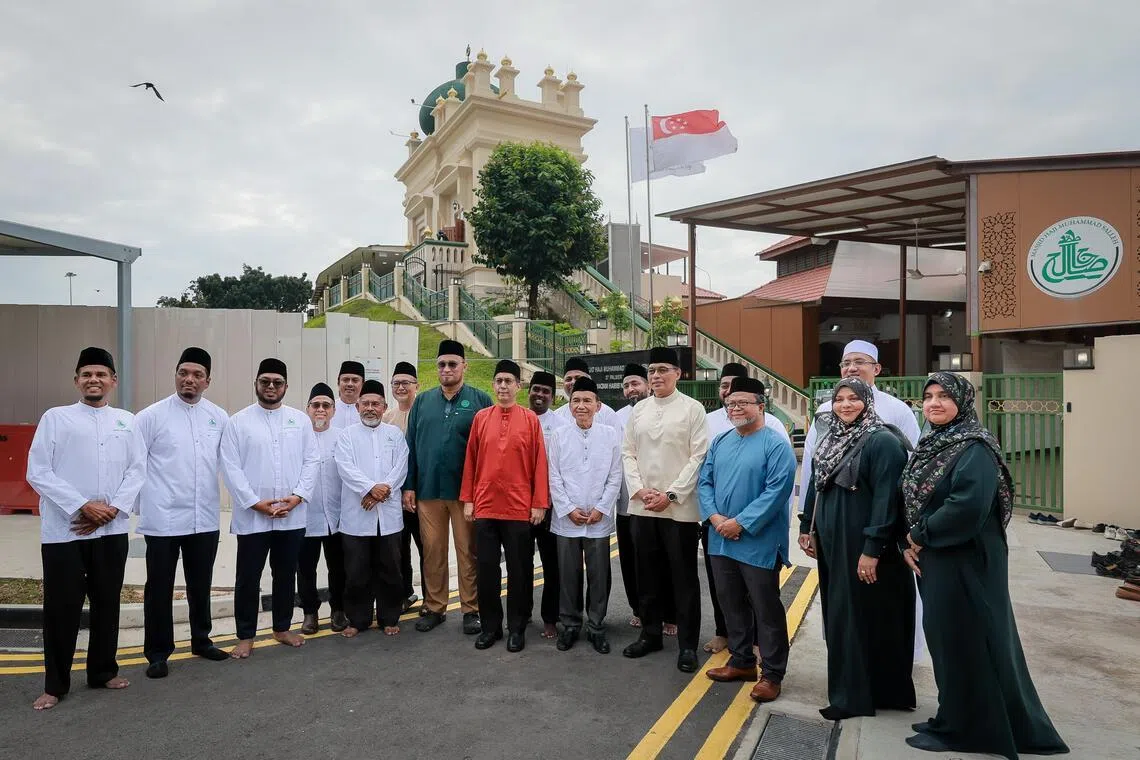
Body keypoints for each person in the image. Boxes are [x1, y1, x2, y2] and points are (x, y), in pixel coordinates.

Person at [900, 373, 1068, 758]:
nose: (934, 403)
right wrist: (910, 540)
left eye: (944, 396)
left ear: (963, 402)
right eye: (929, 396)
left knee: (967, 639)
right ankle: (953, 715)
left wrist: (920, 535)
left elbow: (967, 507)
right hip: (940, 556)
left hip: (966, 560)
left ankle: (968, 728)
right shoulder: (936, 443)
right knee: (947, 638)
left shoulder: (974, 447)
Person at [26, 347, 146, 711]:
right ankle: (55, 685)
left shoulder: (127, 421)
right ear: (77, 380)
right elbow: (38, 471)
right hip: (65, 532)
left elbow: (137, 469)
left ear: (113, 381)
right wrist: (82, 505)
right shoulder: (56, 418)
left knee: (107, 604)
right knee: (61, 609)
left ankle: (102, 671)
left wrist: (114, 509)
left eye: (101, 374)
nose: (94, 379)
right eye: (87, 374)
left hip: (111, 531)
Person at [797, 378, 915, 719]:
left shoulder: (883, 441)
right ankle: (871, 691)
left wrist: (872, 549)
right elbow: (816, 484)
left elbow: (887, 500)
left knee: (864, 618)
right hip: (834, 543)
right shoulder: (831, 437)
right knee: (843, 615)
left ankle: (854, 697)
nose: (845, 405)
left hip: (863, 545)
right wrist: (807, 528)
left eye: (853, 398)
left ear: (868, 401)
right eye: (839, 399)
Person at [134, 347, 230, 680]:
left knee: (200, 583)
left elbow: (228, 464)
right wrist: (134, 507)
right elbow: (134, 465)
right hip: (163, 517)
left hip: (203, 516)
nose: (189, 379)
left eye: (197, 375)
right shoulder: (151, 416)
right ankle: (158, 653)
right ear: (175, 375)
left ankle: (201, 640)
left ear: (207, 381)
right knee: (159, 587)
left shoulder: (218, 417)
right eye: (183, 373)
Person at [699, 376, 798, 703]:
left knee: (765, 608)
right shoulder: (721, 441)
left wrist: (741, 522)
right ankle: (741, 662)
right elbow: (705, 482)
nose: (735, 408)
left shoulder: (775, 444)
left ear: (761, 406)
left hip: (758, 541)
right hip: (720, 538)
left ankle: (772, 674)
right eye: (730, 404)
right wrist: (715, 518)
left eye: (742, 402)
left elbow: (777, 491)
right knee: (730, 602)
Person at [220, 358, 320, 659]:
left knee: (285, 574)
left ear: (286, 386)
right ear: (256, 384)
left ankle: (281, 628)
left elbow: (311, 460)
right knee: (248, 578)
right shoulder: (238, 422)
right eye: (265, 381)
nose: (271, 387)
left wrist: (298, 496)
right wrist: (254, 502)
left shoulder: (299, 420)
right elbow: (230, 466)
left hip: (291, 514)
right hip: (253, 516)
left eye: (277, 382)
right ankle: (246, 635)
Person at [621, 346, 709, 673]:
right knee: (646, 575)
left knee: (683, 579)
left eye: (662, 370)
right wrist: (640, 490)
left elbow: (698, 457)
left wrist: (671, 494)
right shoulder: (639, 411)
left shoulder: (693, 409)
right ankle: (650, 634)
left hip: (678, 510)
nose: (656, 376)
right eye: (652, 370)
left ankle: (687, 645)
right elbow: (627, 453)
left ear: (678, 374)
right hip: (643, 507)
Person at [403, 339, 492, 634]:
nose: (447, 369)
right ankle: (435, 606)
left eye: (453, 364)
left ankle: (471, 609)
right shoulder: (422, 402)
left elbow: (489, 450)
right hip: (428, 490)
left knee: (467, 551)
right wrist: (409, 485)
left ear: (465, 366)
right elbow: (410, 446)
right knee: (432, 551)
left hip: (465, 493)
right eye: (441, 364)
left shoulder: (480, 401)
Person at [460, 359, 549, 652]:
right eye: (498, 381)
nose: (503, 386)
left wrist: (539, 503)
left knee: (519, 571)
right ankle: (490, 627)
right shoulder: (481, 418)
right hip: (485, 506)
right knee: (487, 570)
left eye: (508, 381)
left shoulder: (530, 420)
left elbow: (539, 463)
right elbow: (471, 460)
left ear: (518, 386)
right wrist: (469, 500)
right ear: (493, 384)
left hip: (519, 508)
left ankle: (517, 628)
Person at [798, 340, 921, 513]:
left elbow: (913, 459)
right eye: (846, 363)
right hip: (832, 505)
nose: (851, 368)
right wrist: (807, 511)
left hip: (881, 504)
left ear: (876, 369)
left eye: (859, 362)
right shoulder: (825, 410)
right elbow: (812, 458)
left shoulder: (898, 409)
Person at [548, 376, 622, 654]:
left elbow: (615, 475)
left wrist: (602, 508)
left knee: (599, 574)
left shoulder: (610, 435)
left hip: (598, 518)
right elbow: (553, 476)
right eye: (576, 400)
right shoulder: (559, 435)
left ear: (598, 405)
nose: (581, 405)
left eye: (587, 400)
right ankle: (569, 624)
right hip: (567, 518)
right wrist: (568, 509)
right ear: (570, 406)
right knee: (568, 574)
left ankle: (596, 625)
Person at [334, 380, 410, 638]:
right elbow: (345, 467)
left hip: (388, 516)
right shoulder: (347, 436)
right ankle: (358, 619)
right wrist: (369, 488)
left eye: (375, 404)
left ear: (384, 407)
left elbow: (401, 467)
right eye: (365, 403)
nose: (370, 408)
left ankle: (389, 617)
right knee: (357, 571)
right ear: (357, 407)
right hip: (357, 515)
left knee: (390, 570)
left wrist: (380, 492)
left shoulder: (395, 435)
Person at [614, 363, 678, 634]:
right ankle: (640, 610)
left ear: (647, 384)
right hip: (629, 503)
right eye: (626, 385)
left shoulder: (670, 410)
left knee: (665, 561)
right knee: (633, 562)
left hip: (664, 501)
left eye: (635, 383)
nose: (631, 389)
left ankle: (670, 614)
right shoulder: (616, 417)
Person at [297, 383, 347, 635]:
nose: (320, 409)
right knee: (305, 568)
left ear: (333, 410)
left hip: (337, 516)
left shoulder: (342, 437)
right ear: (307, 409)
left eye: (326, 405)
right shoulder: (297, 438)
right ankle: (310, 612)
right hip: (305, 515)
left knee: (338, 567)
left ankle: (338, 609)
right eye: (315, 405)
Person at [528, 370, 569, 639]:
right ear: (528, 391)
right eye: (536, 389)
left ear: (553, 397)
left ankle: (550, 618)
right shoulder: (519, 418)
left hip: (551, 505)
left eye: (545, 391)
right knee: (521, 564)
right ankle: (521, 614)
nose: (540, 395)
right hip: (520, 504)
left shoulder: (561, 425)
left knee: (552, 564)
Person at [383, 360, 424, 612]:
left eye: (406, 383)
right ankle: (405, 594)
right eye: (396, 383)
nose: (400, 387)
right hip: (394, 496)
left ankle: (432, 599)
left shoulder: (424, 413)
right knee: (399, 551)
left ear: (416, 385)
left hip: (421, 495)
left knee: (426, 548)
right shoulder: (387, 418)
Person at [554, 356, 619, 428]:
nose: (573, 382)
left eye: (578, 378)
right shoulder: (557, 415)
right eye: (568, 379)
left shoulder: (607, 415)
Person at [330, 360, 364, 430]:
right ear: (338, 383)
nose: (350, 384)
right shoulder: (329, 408)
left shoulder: (368, 410)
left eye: (355, 380)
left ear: (363, 384)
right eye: (345, 380)